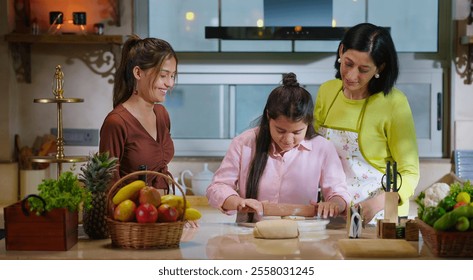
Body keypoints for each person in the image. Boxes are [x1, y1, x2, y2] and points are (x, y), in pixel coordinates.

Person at [207, 72, 351, 222]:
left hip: (302, 236)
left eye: (297, 132)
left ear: (308, 123)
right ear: (268, 117)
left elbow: (339, 191)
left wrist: (334, 204)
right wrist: (238, 202)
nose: (288, 140)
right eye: (280, 130)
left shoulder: (322, 148)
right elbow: (218, 187)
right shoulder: (245, 143)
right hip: (251, 235)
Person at [313, 23, 420, 225]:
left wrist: (376, 204)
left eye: (363, 69)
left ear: (380, 67)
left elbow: (410, 173)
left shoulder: (394, 103)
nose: (352, 76)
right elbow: (313, 150)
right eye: (348, 64)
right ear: (341, 51)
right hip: (332, 212)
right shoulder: (327, 92)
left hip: (379, 217)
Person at [99, 35, 177, 193]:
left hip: (163, 212)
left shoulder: (162, 115)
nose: (170, 83)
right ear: (138, 73)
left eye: (172, 76)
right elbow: (108, 186)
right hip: (132, 215)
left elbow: (160, 169)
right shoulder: (117, 122)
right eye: (163, 76)